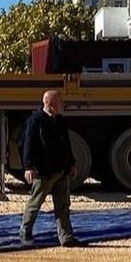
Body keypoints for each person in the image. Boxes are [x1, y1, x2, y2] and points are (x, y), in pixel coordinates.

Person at [19, 89, 83, 247]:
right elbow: (28, 144)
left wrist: (72, 163)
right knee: (35, 204)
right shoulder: (36, 120)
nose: (63, 105)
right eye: (60, 102)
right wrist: (28, 167)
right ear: (51, 104)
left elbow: (66, 144)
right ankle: (25, 233)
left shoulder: (60, 120)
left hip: (61, 169)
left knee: (63, 205)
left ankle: (66, 237)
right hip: (44, 171)